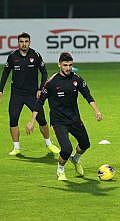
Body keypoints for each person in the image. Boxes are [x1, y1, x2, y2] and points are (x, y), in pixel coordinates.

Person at [26, 52, 102, 181]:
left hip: (74, 119)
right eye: (65, 65)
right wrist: (31, 121)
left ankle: (76, 159)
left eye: (70, 65)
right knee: (66, 149)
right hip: (58, 121)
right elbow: (39, 102)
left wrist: (97, 111)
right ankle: (60, 169)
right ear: (59, 64)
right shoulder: (51, 82)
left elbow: (88, 96)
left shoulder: (77, 79)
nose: (68, 68)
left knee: (85, 144)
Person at [0, 32, 59, 155]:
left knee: (41, 119)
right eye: (21, 41)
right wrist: (0, 90)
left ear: (29, 42)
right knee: (13, 119)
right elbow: (5, 73)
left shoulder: (36, 55)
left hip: (33, 94)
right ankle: (16, 147)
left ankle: (49, 144)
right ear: (18, 43)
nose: (24, 44)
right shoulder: (12, 57)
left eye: (26, 41)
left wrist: (40, 88)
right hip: (16, 94)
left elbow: (44, 73)